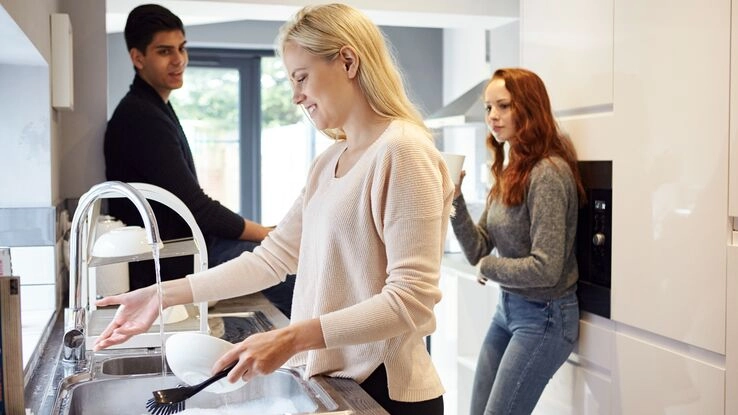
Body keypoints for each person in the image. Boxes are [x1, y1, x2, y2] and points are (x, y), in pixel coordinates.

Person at [94, 4, 454, 414]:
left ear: (349, 61)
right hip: (334, 380)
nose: (296, 95)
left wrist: (289, 339)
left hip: (386, 389)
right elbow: (273, 257)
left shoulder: (403, 151)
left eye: (301, 77)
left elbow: (410, 299)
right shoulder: (329, 161)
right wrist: (164, 295)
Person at [103, 4, 295, 316]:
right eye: (164, 51)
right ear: (138, 58)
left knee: (273, 253)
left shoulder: (152, 107)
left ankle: (323, 337)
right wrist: (267, 233)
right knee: (274, 259)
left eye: (181, 48)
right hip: (170, 260)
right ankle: (325, 341)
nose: (179, 60)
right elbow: (197, 207)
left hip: (184, 249)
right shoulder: (141, 116)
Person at [450, 68, 586, 414]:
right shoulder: (510, 169)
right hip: (508, 310)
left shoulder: (547, 173)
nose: (493, 116)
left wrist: (489, 267)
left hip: (546, 317)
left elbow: (546, 267)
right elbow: (477, 249)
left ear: (528, 108)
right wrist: (454, 198)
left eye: (503, 106)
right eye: (488, 108)